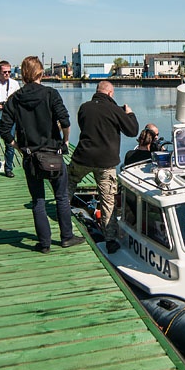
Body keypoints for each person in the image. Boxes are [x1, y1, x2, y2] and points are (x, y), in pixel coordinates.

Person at [0, 56, 85, 253]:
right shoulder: (51, 94)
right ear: (40, 72)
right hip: (53, 153)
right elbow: (65, 121)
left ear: (23, 74)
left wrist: (18, 147)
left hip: (31, 156)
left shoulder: (15, 99)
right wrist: (64, 141)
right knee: (61, 197)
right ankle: (66, 237)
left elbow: (4, 130)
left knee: (38, 200)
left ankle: (44, 243)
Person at [68, 81, 139, 248]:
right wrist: (130, 114)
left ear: (97, 91)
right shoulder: (114, 110)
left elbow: (83, 125)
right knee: (108, 200)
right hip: (106, 162)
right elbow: (132, 131)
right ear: (110, 93)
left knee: (68, 187)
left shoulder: (84, 107)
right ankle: (110, 240)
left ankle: (62, 218)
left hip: (82, 157)